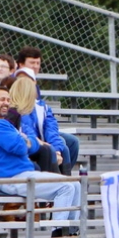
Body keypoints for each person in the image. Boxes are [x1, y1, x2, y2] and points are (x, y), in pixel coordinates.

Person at [0, 86, 81, 238]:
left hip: (25, 174)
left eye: (8, 99)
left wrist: (28, 142)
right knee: (66, 187)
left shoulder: (5, 124)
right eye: (2, 99)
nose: (6, 103)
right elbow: (21, 147)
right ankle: (57, 236)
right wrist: (32, 142)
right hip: (11, 179)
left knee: (75, 184)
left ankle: (71, 234)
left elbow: (27, 144)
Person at [15, 47, 79, 175]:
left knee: (69, 142)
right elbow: (25, 126)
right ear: (20, 65)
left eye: (38, 63)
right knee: (60, 146)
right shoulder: (13, 95)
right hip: (28, 137)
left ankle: (64, 178)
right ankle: (60, 180)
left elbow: (50, 125)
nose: (35, 66)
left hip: (39, 133)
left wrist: (56, 150)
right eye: (32, 63)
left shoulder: (40, 103)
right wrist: (45, 144)